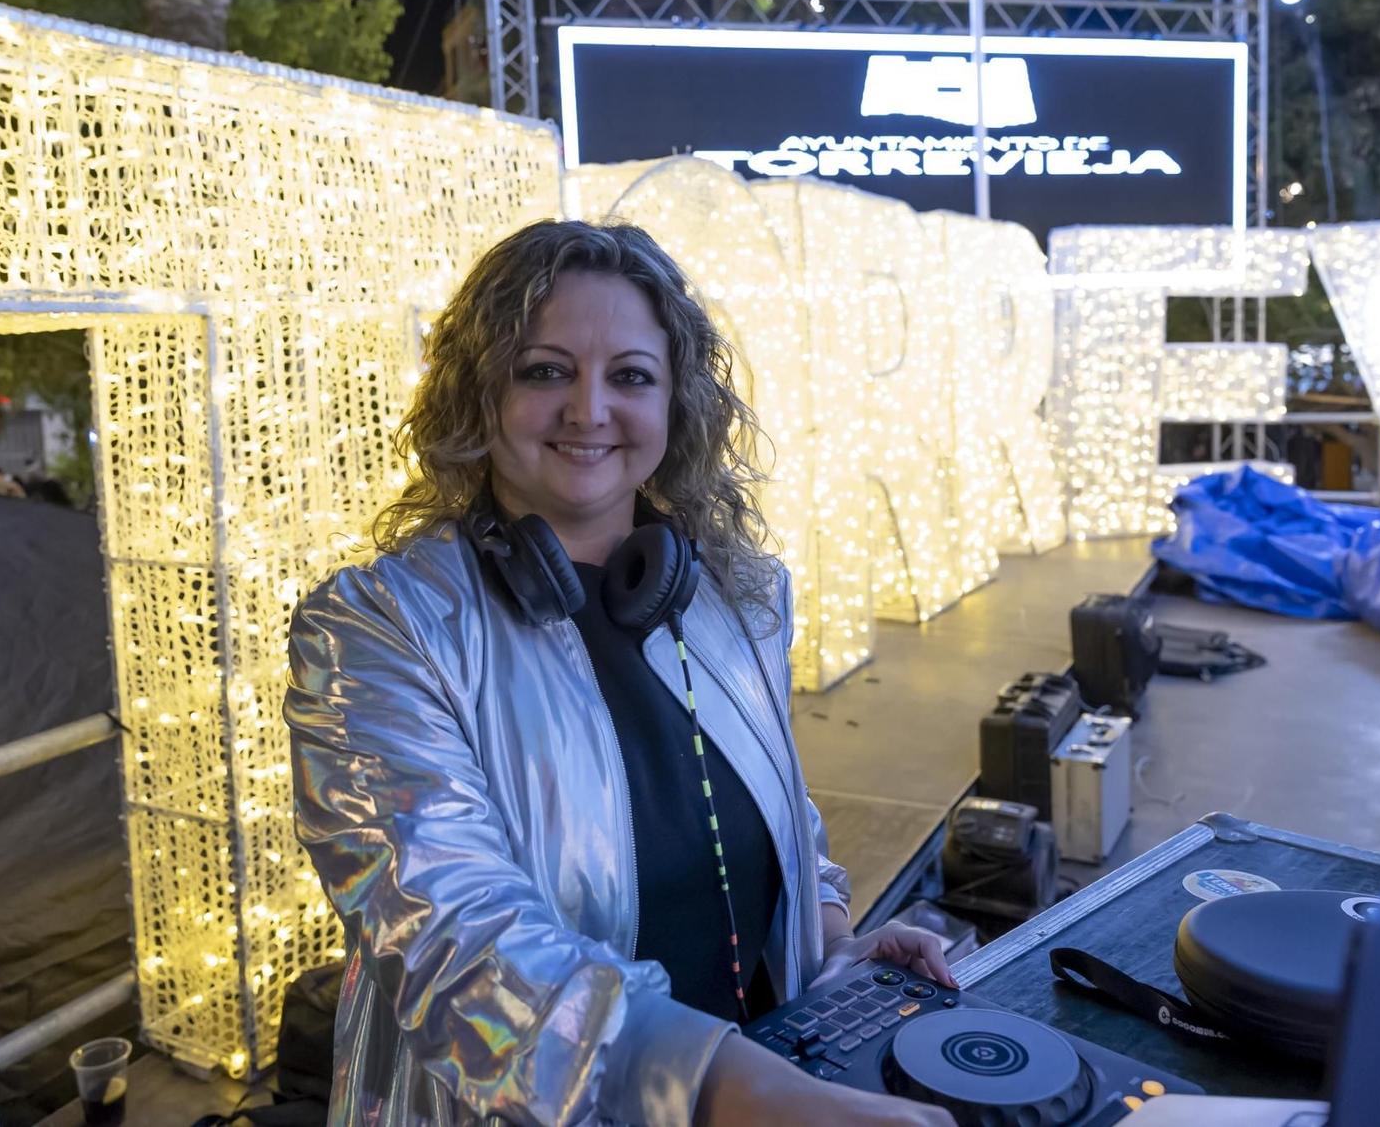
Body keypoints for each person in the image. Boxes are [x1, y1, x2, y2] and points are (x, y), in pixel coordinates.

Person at [285, 221, 955, 1126]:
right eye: (544, 370)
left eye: (631, 375)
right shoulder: (376, 628)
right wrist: (739, 1093)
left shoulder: (738, 593)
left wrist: (835, 943)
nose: (588, 409)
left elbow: (783, 814)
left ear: (677, 402)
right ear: (479, 394)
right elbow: (452, 938)